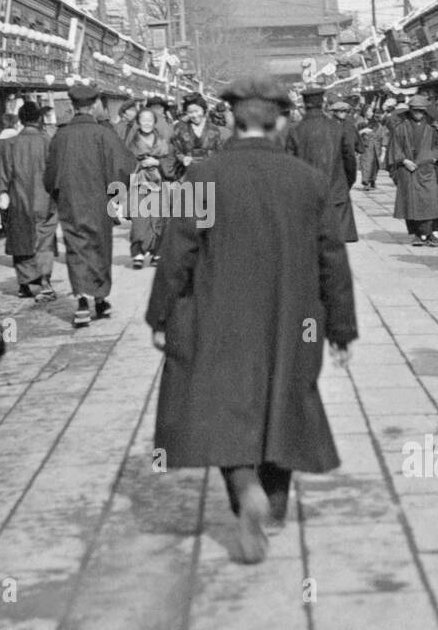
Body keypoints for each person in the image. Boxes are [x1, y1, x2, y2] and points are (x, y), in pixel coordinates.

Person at [146, 75, 356, 565]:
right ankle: (276, 504)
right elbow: (333, 260)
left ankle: (244, 488)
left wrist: (160, 314)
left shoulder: (201, 177)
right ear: (282, 121)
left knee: (223, 403)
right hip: (294, 317)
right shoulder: (308, 181)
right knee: (283, 398)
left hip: (217, 315)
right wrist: (341, 328)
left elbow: (176, 253)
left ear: (233, 121)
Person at [44, 83, 135, 327]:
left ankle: (82, 302)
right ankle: (100, 299)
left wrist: (56, 195)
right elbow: (123, 166)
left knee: (76, 249)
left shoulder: (60, 136)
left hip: (71, 202)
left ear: (73, 106)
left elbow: (50, 174)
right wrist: (116, 196)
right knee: (100, 247)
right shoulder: (105, 134)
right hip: (99, 201)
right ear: (94, 105)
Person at [0, 101, 57, 300]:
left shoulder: (10, 145)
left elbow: (0, 176)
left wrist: (1, 194)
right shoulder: (48, 142)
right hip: (45, 200)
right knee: (44, 241)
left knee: (21, 239)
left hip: (19, 200)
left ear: (21, 121)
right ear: (39, 119)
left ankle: (24, 284)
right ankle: (45, 281)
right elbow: (57, 174)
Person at [286, 89, 359, 242]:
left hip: (306, 194)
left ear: (305, 106)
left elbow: (288, 166)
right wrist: (347, 182)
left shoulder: (295, 131)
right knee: (336, 245)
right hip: (336, 191)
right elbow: (350, 159)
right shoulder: (337, 128)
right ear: (323, 104)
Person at [388, 94, 438, 247]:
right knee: (411, 204)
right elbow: (395, 147)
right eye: (415, 111)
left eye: (421, 111)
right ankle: (417, 234)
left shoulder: (433, 128)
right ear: (410, 110)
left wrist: (432, 158)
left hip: (428, 169)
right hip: (408, 170)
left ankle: (431, 233)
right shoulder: (401, 128)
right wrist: (404, 160)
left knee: (431, 202)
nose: (418, 114)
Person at [125, 107, 175, 268]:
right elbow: (124, 161)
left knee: (160, 218)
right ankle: (138, 253)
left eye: (150, 120)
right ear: (138, 122)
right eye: (143, 120)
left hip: (161, 182)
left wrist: (158, 162)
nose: (146, 123)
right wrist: (139, 164)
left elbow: (170, 160)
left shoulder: (163, 142)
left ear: (154, 122)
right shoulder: (131, 142)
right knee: (140, 219)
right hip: (139, 182)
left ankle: (157, 252)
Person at [171, 94, 225, 177]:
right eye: (190, 112)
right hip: (187, 174)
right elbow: (175, 149)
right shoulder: (180, 129)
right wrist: (183, 158)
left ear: (203, 110)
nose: (194, 115)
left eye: (197, 111)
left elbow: (220, 152)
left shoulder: (214, 130)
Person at [330, 99, 362, 186]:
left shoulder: (350, 125)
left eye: (345, 111)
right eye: (341, 111)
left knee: (349, 180)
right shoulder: (329, 125)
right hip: (334, 159)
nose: (344, 113)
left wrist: (359, 150)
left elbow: (357, 142)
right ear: (334, 112)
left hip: (349, 159)